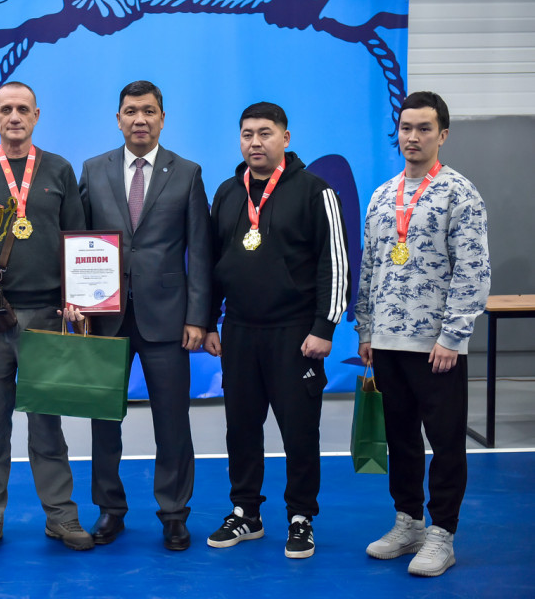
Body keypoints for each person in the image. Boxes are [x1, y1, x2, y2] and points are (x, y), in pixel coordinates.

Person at [0, 81, 93, 556]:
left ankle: (61, 516)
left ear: (36, 116)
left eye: (23, 109)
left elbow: (78, 241)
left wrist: (77, 298)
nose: (14, 116)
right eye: (5, 109)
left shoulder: (59, 170)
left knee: (47, 424)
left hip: (46, 317)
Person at [204, 102, 350, 559]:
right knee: (241, 428)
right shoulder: (227, 193)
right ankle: (246, 511)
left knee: (299, 432)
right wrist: (208, 321)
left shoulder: (314, 191)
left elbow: (335, 263)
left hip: (295, 334)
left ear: (285, 138)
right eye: (247, 134)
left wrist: (324, 327)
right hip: (240, 331)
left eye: (265, 133)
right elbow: (212, 263)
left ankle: (301, 516)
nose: (255, 142)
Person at [355, 91, 490, 577]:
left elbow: (473, 270)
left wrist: (452, 337)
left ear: (443, 135)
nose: (412, 137)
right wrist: (366, 330)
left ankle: (442, 534)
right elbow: (370, 267)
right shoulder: (381, 195)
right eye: (406, 128)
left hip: (437, 347)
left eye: (424, 128)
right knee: (401, 439)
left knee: (446, 441)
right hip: (387, 343)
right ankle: (408, 522)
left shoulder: (459, 193)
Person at [75, 80, 211, 551]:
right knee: (103, 422)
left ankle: (174, 513)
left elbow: (201, 252)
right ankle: (109, 509)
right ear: (118, 119)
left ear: (162, 119)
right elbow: (78, 241)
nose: (140, 119)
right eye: (131, 111)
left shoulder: (187, 173)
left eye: (149, 111)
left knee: (172, 422)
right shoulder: (93, 170)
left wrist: (198, 317)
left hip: (168, 318)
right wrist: (78, 303)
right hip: (105, 317)